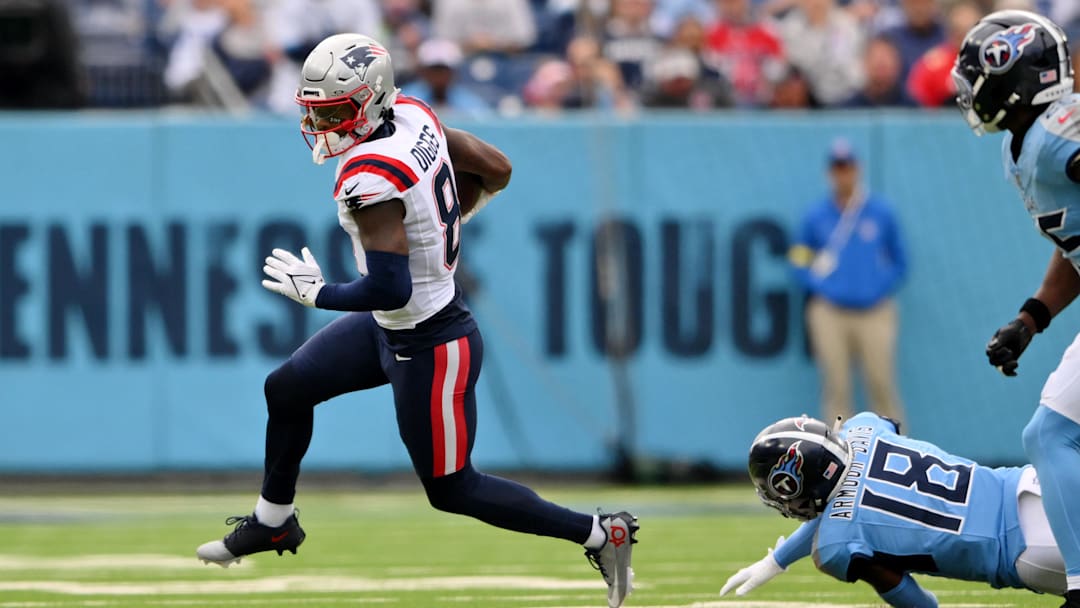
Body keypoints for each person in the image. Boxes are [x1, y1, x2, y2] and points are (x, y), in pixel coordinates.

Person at [193, 33, 639, 608]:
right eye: (317, 108)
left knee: (453, 488)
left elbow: (390, 284)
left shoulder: (370, 175)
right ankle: (274, 519)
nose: (322, 121)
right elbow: (497, 169)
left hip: (432, 341)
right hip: (392, 325)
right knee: (286, 388)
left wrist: (318, 292)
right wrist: (439, 222)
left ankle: (604, 534)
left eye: (335, 110)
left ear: (371, 100)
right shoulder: (412, 113)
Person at [950, 9, 1080, 608]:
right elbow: (1071, 245)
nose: (970, 90)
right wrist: (1031, 318)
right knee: (1048, 434)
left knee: (1052, 435)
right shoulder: (1024, 148)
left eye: (978, 76)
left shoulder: (1061, 134)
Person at [720, 413, 1067, 607]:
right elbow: (849, 498)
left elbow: (922, 606)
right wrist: (777, 559)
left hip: (1026, 552)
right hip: (1031, 484)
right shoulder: (863, 427)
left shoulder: (835, 547)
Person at [789, 138, 908, 427]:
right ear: (829, 172)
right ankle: (839, 458)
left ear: (858, 169)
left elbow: (900, 260)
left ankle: (896, 453)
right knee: (836, 385)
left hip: (874, 310)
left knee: (881, 383)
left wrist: (877, 288)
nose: (843, 173)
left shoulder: (880, 212)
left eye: (848, 166)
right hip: (830, 311)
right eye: (837, 167)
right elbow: (798, 257)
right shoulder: (816, 215)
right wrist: (821, 286)